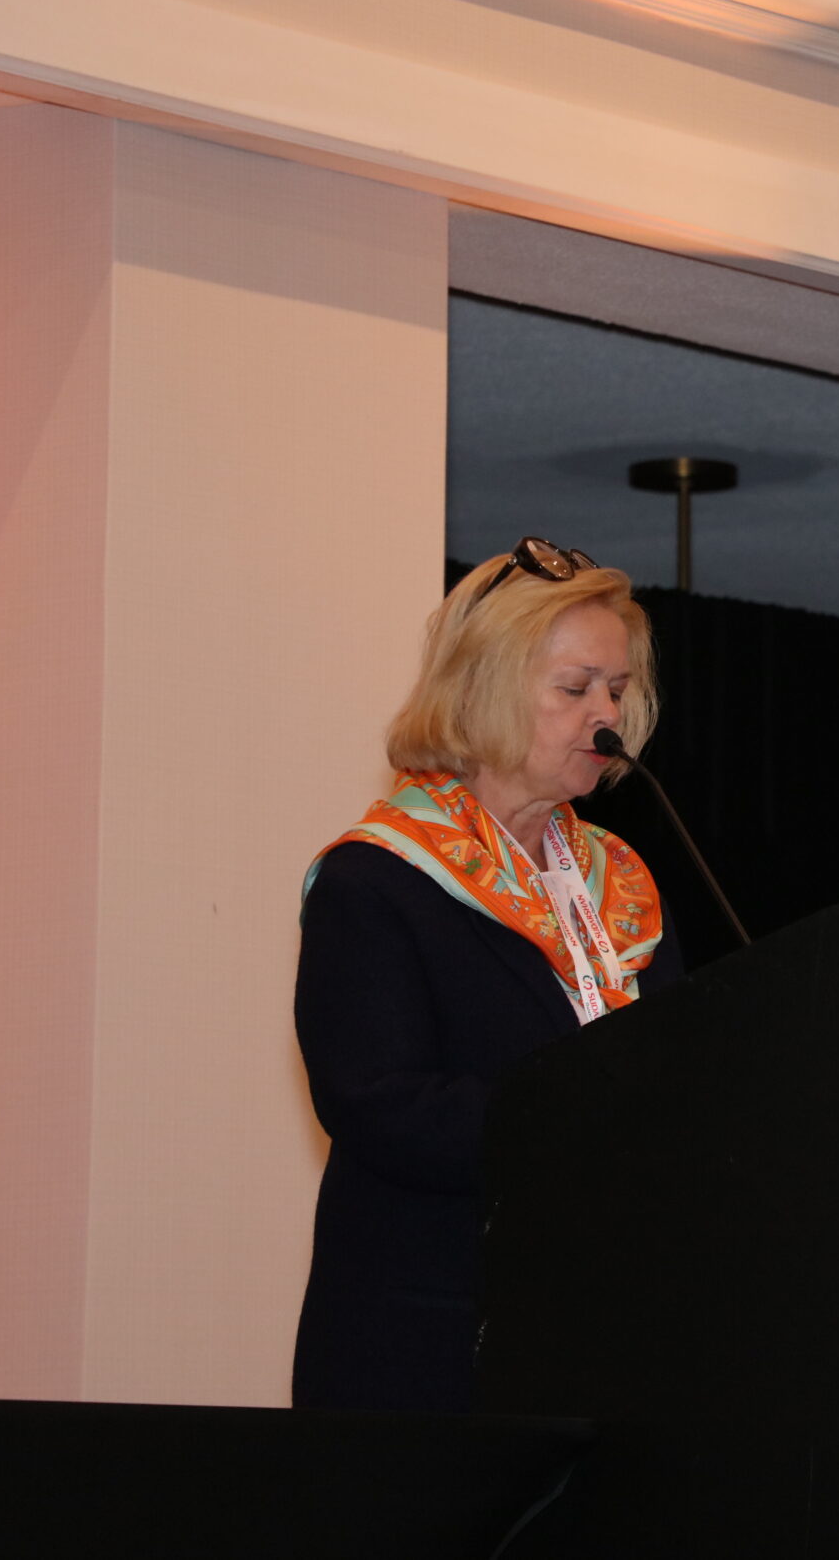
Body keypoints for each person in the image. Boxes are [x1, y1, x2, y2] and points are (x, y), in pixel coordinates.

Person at [291, 538, 682, 1411]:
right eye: (576, 688)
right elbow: (383, 1105)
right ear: (484, 690)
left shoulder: (622, 884)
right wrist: (589, 1124)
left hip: (603, 1337)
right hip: (427, 1345)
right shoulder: (378, 881)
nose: (607, 715)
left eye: (618, 689)